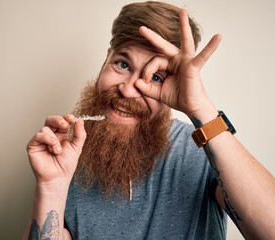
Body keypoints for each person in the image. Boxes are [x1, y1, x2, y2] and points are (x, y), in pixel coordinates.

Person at [23, 1, 275, 239]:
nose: (129, 90)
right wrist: (51, 185)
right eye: (122, 64)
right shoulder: (68, 158)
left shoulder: (201, 150)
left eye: (156, 78)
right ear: (105, 59)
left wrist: (201, 108)